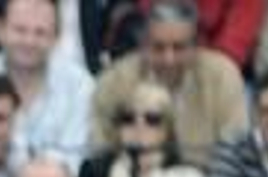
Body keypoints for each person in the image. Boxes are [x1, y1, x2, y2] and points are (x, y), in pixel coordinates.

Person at [89, 0, 247, 167]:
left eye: (178, 48)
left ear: (195, 47)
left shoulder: (222, 77)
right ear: (143, 45)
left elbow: (234, 155)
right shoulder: (114, 80)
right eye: (158, 48)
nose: (168, 59)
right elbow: (101, 151)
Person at [0, 0, 94, 171]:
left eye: (40, 32)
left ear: (56, 38)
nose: (29, 41)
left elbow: (76, 160)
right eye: (20, 30)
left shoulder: (81, 87)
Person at [76, 78, 180, 177]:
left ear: (167, 129)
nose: (139, 126)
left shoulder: (183, 173)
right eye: (128, 118)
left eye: (152, 119)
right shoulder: (94, 172)